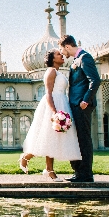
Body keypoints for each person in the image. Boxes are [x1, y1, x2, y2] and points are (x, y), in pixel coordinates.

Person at [19, 49, 82, 181]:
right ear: (53, 59)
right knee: (47, 137)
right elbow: (48, 93)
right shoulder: (51, 71)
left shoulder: (58, 72)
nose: (62, 55)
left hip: (62, 103)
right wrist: (54, 112)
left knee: (52, 139)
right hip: (53, 105)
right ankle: (27, 157)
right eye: (59, 54)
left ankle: (48, 170)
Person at [59, 35, 101, 183]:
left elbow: (95, 80)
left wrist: (86, 100)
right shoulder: (77, 60)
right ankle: (79, 172)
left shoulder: (85, 58)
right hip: (75, 104)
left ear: (68, 47)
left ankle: (86, 174)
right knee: (78, 139)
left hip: (82, 105)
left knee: (84, 139)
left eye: (62, 49)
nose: (62, 52)